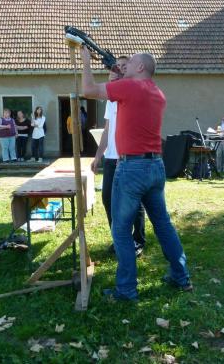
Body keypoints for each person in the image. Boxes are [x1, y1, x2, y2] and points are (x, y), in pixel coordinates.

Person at [81, 47, 191, 301]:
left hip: (132, 168)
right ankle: (180, 276)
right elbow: (128, 87)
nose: (125, 65)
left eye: (130, 62)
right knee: (163, 224)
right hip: (155, 166)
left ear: (141, 67)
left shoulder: (129, 88)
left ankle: (127, 289)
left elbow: (88, 91)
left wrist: (87, 61)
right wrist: (119, 72)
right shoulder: (157, 93)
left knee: (120, 230)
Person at [90, 56, 146, 258]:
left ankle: (138, 240)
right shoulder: (111, 100)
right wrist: (98, 156)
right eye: (115, 68)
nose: (117, 70)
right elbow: (107, 130)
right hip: (112, 158)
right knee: (108, 199)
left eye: (123, 67)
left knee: (134, 201)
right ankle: (121, 239)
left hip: (129, 158)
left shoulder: (133, 94)